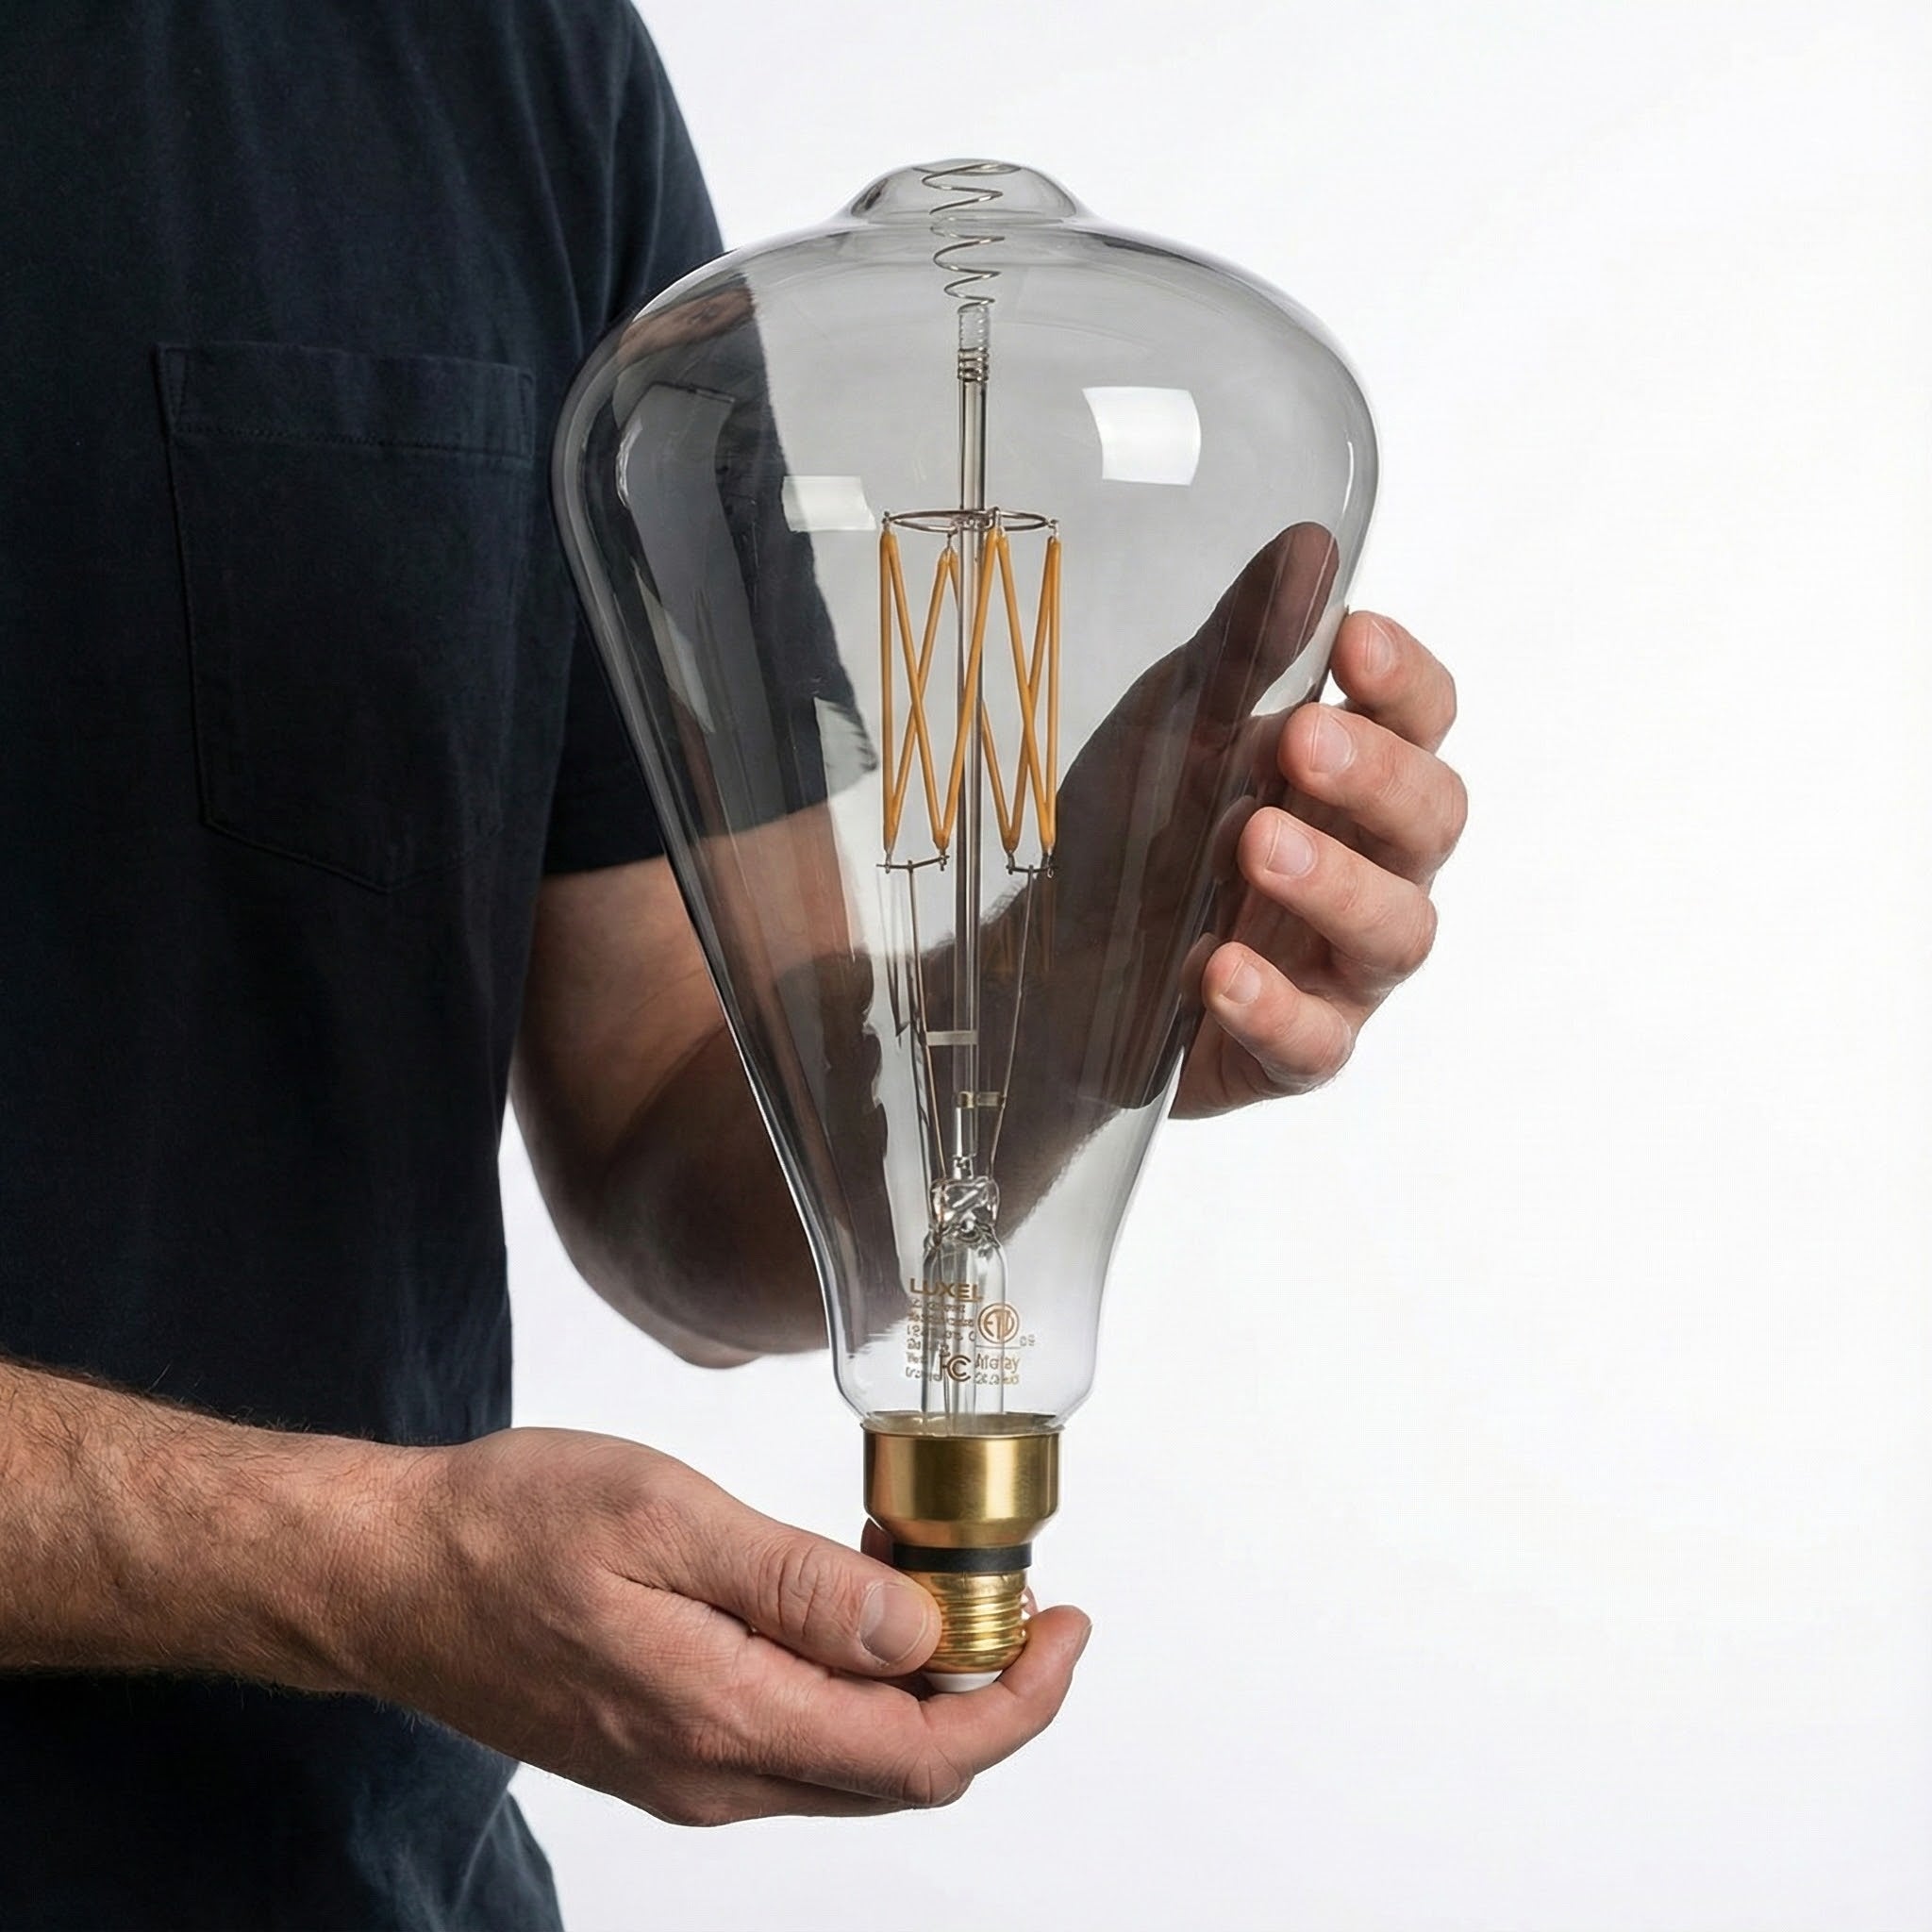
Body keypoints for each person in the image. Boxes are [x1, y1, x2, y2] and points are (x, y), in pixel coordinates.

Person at [0, 3, 1467, 1927]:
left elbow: (673, 1128)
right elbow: (383, 1558)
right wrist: (359, 1561)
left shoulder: (505, 60)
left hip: (361, 1876)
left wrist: (1067, 985)